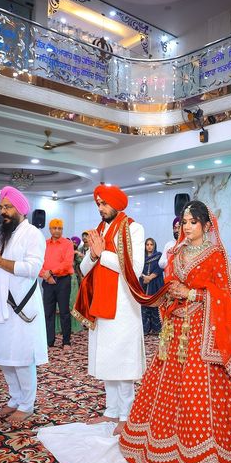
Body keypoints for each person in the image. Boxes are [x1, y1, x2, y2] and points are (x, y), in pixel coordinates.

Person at [120, 201, 231, 463]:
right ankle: (163, 446)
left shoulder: (216, 254)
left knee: (200, 389)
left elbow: (228, 293)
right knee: (167, 386)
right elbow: (171, 283)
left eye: (193, 222)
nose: (187, 227)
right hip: (176, 331)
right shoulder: (177, 252)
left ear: (206, 226)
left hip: (202, 330)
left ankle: (207, 459)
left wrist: (192, 293)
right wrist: (169, 294)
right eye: (184, 222)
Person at [73, 185, 145, 436]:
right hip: (101, 303)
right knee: (107, 359)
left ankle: (127, 415)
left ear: (116, 204)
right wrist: (94, 255)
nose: (100, 208)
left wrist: (102, 254)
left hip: (124, 306)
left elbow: (134, 269)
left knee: (122, 362)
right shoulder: (100, 229)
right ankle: (111, 411)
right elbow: (84, 267)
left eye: (104, 204)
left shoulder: (133, 229)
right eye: (98, 204)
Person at [0, 186, 47, 424]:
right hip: (0, 305)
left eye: (7, 207)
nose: (3, 211)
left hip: (22, 306)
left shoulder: (33, 234)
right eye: (1, 207)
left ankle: (27, 404)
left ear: (20, 209)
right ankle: (14, 399)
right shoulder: (0, 235)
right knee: (3, 356)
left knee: (21, 358)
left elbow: (33, 269)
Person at [39, 219, 74, 352]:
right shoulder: (44, 244)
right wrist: (46, 276)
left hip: (63, 281)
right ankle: (49, 342)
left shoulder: (67, 244)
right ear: (50, 229)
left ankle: (66, 342)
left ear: (62, 230)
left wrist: (51, 272)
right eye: (54, 228)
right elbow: (38, 263)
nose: (57, 231)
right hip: (47, 282)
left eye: (59, 229)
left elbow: (67, 263)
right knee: (48, 312)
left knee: (64, 312)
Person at [55, 236, 82, 335]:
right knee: (60, 302)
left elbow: (82, 264)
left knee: (72, 301)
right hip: (60, 277)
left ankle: (73, 327)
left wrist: (79, 254)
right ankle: (59, 327)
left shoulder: (75, 254)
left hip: (72, 280)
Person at [140, 238, 163, 335]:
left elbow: (160, 268)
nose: (149, 246)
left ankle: (156, 329)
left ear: (154, 246)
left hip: (155, 283)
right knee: (144, 307)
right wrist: (144, 277)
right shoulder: (141, 258)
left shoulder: (159, 256)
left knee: (155, 306)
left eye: (151, 244)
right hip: (143, 284)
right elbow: (137, 267)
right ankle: (145, 330)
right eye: (147, 244)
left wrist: (150, 277)